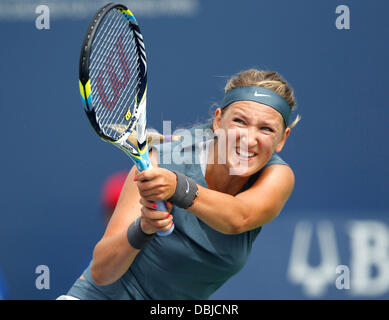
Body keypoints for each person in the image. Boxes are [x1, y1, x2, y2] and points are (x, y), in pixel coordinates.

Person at [63, 68, 300, 300]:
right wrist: (143, 228)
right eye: (239, 121)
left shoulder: (277, 176)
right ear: (218, 121)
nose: (249, 139)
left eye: (266, 129)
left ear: (283, 139)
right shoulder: (159, 161)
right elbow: (101, 273)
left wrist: (179, 187)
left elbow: (240, 217)